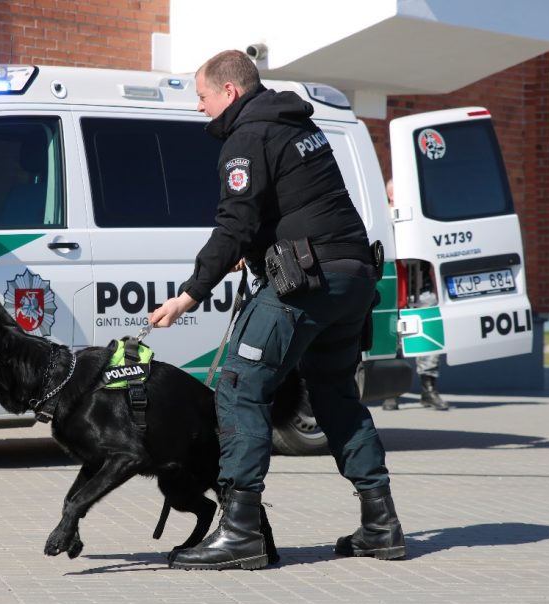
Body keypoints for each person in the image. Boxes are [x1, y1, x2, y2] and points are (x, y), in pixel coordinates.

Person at [148, 50, 406, 570]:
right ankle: (381, 524)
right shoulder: (294, 125)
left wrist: (189, 295)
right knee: (334, 394)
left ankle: (241, 532)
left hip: (307, 282)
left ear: (230, 92)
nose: (199, 108)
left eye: (201, 97)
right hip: (353, 277)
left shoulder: (247, 138)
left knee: (240, 385)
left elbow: (234, 225)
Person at [382, 179, 449, 411]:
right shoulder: (383, 218)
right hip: (396, 286)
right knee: (393, 340)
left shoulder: (421, 217)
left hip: (422, 285)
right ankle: (391, 391)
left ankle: (429, 389)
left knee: (429, 336)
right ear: (390, 196)